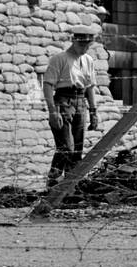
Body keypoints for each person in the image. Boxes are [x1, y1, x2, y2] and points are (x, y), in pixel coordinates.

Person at [43, 24, 102, 187]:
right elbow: (47, 85)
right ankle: (54, 181)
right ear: (74, 41)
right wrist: (53, 112)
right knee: (66, 147)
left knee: (76, 149)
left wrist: (93, 111)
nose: (84, 48)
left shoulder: (88, 60)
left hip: (80, 101)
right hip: (63, 100)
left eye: (87, 45)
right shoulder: (59, 59)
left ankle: (71, 185)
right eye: (81, 44)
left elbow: (90, 87)